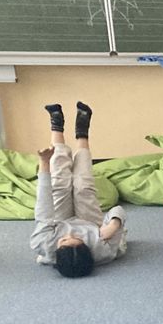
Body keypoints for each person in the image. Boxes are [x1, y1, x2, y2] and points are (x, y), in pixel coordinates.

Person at [30, 103, 127, 278]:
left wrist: (44, 163)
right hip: (90, 222)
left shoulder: (43, 242)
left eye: (64, 240)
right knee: (83, 185)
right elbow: (118, 210)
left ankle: (56, 125)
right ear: (87, 249)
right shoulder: (102, 250)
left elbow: (44, 206)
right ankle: (82, 131)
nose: (69, 234)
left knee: (59, 183)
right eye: (76, 239)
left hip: (57, 222)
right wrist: (114, 225)